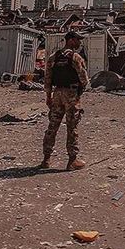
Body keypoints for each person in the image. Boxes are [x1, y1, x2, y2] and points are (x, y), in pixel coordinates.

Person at [40, 30, 90, 170]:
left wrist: (48, 97)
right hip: (71, 95)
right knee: (72, 127)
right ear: (71, 40)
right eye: (78, 40)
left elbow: (47, 78)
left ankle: (46, 159)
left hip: (57, 94)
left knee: (52, 126)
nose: (79, 42)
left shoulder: (53, 57)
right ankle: (72, 161)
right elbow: (84, 79)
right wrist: (79, 93)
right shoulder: (75, 57)